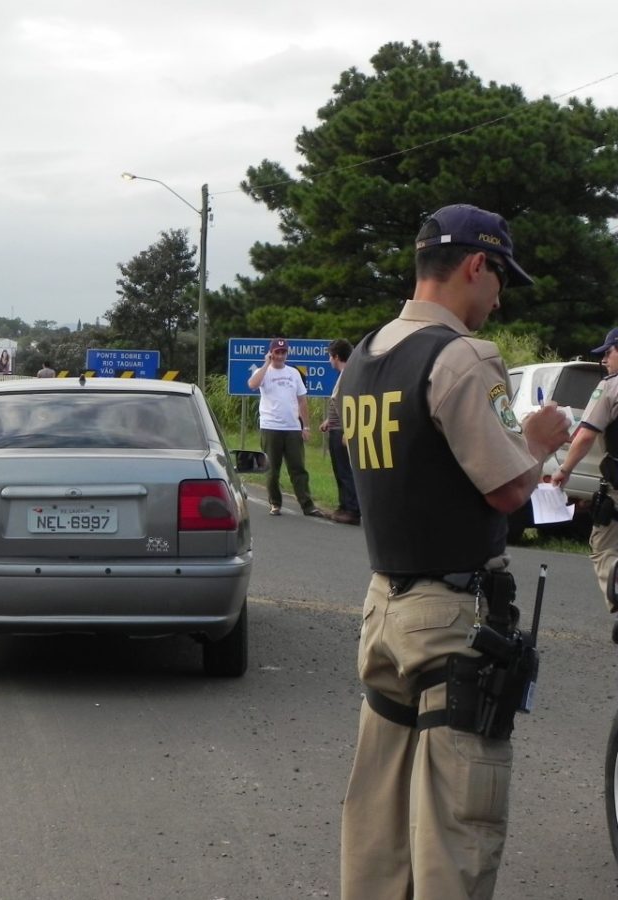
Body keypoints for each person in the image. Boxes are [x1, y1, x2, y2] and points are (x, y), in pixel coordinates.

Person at [337, 204, 571, 900]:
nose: (499, 296)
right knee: (454, 834)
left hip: (385, 608)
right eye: (501, 278)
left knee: (377, 831)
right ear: (476, 265)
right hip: (452, 617)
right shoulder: (464, 358)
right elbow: (507, 489)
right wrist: (542, 436)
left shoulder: (370, 355)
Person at [551, 326, 618, 619]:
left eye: (608, 352)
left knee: (603, 547)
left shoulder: (610, 387)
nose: (604, 360)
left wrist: (564, 469)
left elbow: (587, 435)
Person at [247, 337, 321, 517]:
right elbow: (252, 385)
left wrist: (306, 426)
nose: (280, 356)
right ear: (271, 353)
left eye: (283, 352)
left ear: (287, 353)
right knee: (272, 469)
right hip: (271, 427)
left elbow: (302, 400)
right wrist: (266, 364)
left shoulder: (293, 373)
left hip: (293, 428)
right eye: (277, 352)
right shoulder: (263, 372)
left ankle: (307, 504)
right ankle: (275, 502)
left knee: (298, 468)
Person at [320, 339, 360, 525]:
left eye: (330, 356)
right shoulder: (345, 374)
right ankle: (343, 506)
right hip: (336, 427)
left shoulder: (347, 376)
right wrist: (330, 420)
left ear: (336, 356)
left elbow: (348, 403)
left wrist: (346, 429)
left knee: (345, 471)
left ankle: (351, 509)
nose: (329, 361)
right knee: (340, 470)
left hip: (342, 431)